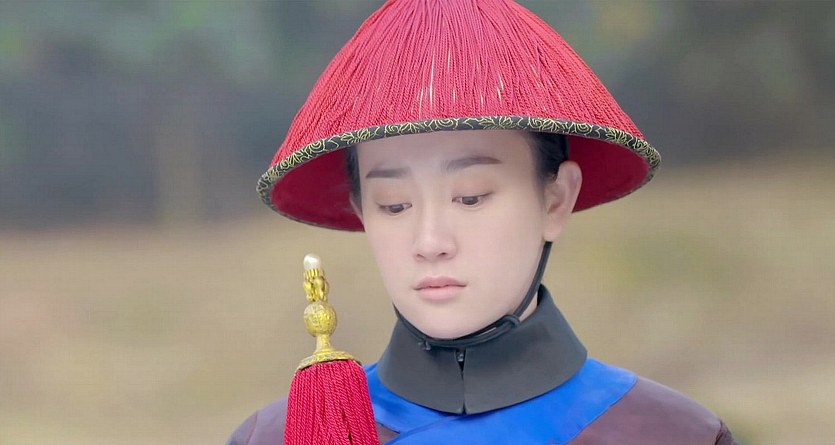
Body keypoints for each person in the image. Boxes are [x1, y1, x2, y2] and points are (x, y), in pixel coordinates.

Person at [228, 0, 737, 444]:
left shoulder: (669, 434)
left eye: (470, 197)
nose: (430, 242)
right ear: (362, 211)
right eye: (394, 205)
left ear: (556, 199)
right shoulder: (287, 436)